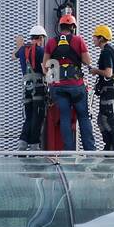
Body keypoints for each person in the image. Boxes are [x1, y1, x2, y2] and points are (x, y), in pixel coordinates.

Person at [45, 13, 96, 152]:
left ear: (60, 27)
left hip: (59, 87)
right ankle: (90, 151)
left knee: (65, 118)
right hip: (76, 86)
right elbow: (87, 61)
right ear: (73, 27)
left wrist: (53, 79)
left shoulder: (51, 42)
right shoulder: (78, 40)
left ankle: (68, 151)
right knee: (84, 118)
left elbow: (46, 65)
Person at [13, 24, 48, 150]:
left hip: (26, 89)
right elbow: (44, 71)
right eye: (43, 38)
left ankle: (22, 143)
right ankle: (34, 146)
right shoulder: (40, 51)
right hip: (38, 88)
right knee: (37, 117)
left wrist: (19, 45)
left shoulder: (22, 50)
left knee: (28, 117)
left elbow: (13, 56)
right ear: (40, 38)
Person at [90, 24, 114, 151]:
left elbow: (108, 73)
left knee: (108, 116)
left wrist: (95, 71)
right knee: (101, 118)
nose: (93, 38)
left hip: (108, 89)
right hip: (111, 88)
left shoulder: (106, 52)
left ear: (101, 38)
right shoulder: (113, 50)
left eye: (95, 37)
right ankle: (109, 146)